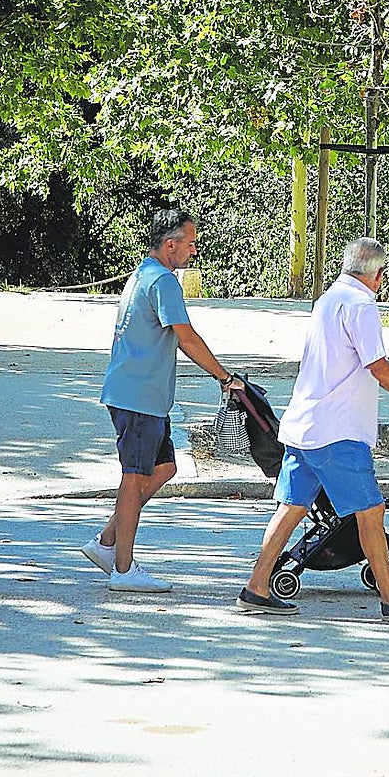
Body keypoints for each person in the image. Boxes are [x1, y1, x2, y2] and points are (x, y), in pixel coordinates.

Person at [236, 237, 389, 622]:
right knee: (371, 510)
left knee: (291, 507)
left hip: (304, 424)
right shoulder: (362, 305)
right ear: (379, 275)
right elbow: (378, 367)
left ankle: (257, 585)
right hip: (337, 429)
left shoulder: (329, 298)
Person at [79, 210, 243, 592]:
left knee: (164, 468)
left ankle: (106, 543)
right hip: (137, 396)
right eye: (190, 242)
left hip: (143, 395)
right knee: (133, 479)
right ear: (170, 244)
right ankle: (123, 570)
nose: (194, 249)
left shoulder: (142, 274)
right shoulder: (164, 281)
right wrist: (224, 376)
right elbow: (186, 337)